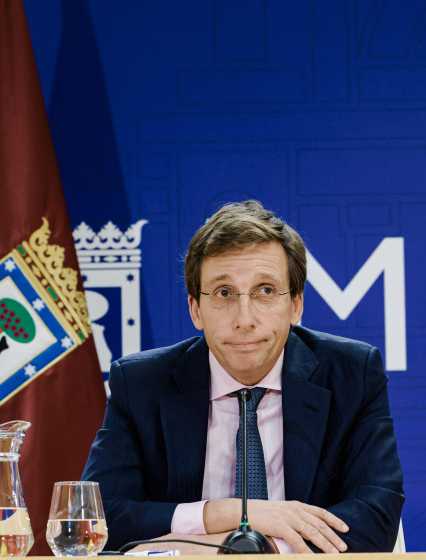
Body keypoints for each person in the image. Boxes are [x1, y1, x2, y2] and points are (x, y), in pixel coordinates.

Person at [82, 201, 403, 554]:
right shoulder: (141, 383)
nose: (244, 319)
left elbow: (375, 517)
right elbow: (98, 519)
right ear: (195, 310)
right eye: (224, 293)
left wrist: (258, 547)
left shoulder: (351, 374)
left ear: (295, 305)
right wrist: (229, 514)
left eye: (266, 291)